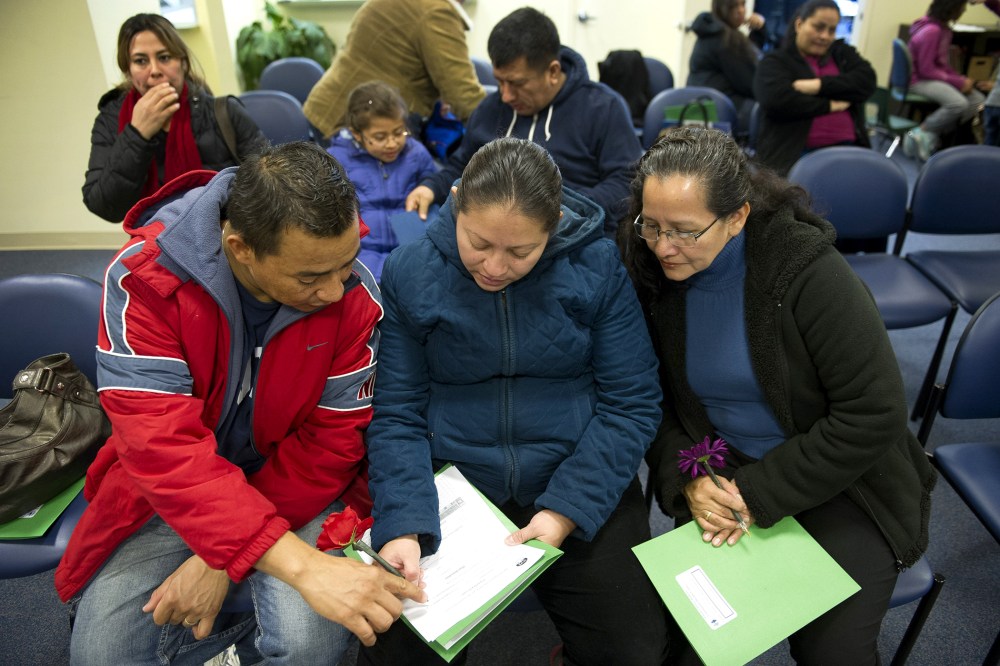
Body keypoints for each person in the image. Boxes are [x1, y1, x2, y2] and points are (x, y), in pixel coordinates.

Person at [56, 141, 424, 665]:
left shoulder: (353, 297)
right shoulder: (146, 280)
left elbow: (330, 445)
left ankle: (229, 639)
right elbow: (163, 452)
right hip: (172, 494)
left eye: (346, 262)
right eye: (310, 277)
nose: (335, 292)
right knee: (101, 655)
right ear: (240, 246)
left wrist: (224, 557)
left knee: (304, 645)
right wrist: (286, 563)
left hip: (293, 486)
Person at [618, 127, 936, 665]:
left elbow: (873, 413)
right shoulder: (651, 267)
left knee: (832, 652)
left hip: (843, 482)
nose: (662, 245)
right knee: (689, 646)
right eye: (651, 224)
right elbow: (652, 401)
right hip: (723, 471)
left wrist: (757, 492)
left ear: (738, 217)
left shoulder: (807, 273)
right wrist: (690, 477)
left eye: (685, 231)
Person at [360, 138, 671, 665]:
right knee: (398, 647)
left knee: (634, 652)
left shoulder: (597, 266)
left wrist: (566, 511)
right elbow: (397, 413)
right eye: (478, 242)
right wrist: (405, 525)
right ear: (456, 201)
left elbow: (631, 403)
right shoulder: (411, 271)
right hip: (453, 485)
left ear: (553, 223)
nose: (495, 267)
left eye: (520, 251)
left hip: (572, 472)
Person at [405, 7, 643, 237]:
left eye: (517, 84)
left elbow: (625, 181)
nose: (505, 96)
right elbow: (461, 167)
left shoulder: (603, 108)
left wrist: (559, 209)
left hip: (571, 234)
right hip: (490, 234)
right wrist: (431, 187)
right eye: (500, 81)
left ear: (552, 71)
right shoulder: (491, 108)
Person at [83, 13, 265, 223]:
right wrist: (137, 135)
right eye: (141, 61)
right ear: (128, 71)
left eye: (164, 57)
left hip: (221, 233)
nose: (155, 71)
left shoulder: (223, 112)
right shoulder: (111, 119)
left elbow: (267, 185)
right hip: (151, 240)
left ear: (183, 63)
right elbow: (104, 207)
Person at [303, 0, 485, 140]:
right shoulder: (436, 11)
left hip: (332, 109)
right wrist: (504, 125)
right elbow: (464, 96)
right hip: (357, 125)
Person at [327, 81, 437, 282]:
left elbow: (432, 178)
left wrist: (427, 185)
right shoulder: (336, 160)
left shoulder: (415, 152)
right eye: (380, 137)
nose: (392, 143)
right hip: (361, 251)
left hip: (411, 246)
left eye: (398, 132)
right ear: (356, 134)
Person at [752, 0, 876, 176]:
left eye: (831, 30)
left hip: (850, 149)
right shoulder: (776, 61)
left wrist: (817, 86)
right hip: (795, 154)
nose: (825, 36)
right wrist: (830, 105)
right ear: (800, 24)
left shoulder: (842, 54)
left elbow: (866, 82)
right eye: (818, 27)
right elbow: (777, 99)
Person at [905, 0, 994, 159]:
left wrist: (961, 79)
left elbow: (943, 65)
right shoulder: (931, 31)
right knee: (958, 103)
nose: (964, 11)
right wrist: (958, 83)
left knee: (977, 100)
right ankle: (921, 132)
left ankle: (942, 138)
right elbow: (927, 69)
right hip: (919, 80)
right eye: (962, 7)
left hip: (934, 77)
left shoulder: (943, 30)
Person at [688, 0, 767, 131]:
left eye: (743, 5)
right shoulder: (725, 38)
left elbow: (745, 63)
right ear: (721, 8)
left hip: (705, 107)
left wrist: (758, 32)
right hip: (721, 110)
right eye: (734, 6)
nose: (741, 10)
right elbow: (749, 83)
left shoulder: (712, 30)